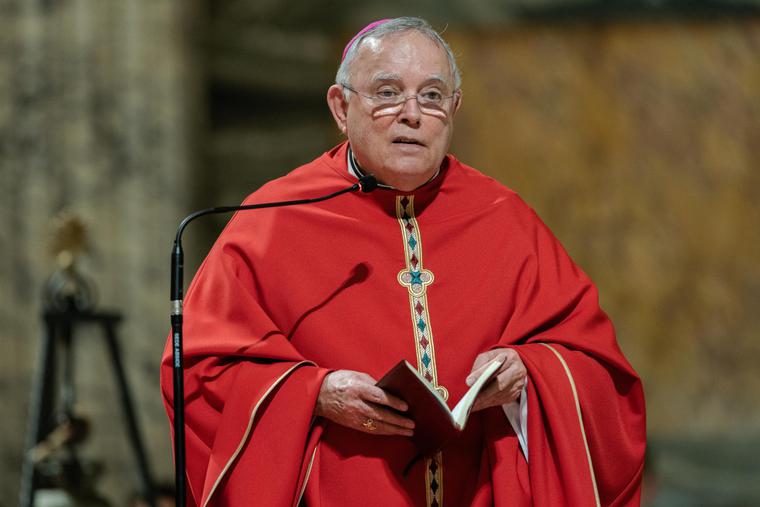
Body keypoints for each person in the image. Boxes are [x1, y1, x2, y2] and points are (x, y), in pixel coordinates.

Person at [161, 17, 646, 507]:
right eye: (387, 93)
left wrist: (529, 374)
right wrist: (315, 393)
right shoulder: (274, 220)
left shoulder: (505, 219)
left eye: (432, 96)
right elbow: (199, 373)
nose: (412, 114)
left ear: (454, 109)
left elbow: (601, 374)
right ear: (340, 107)